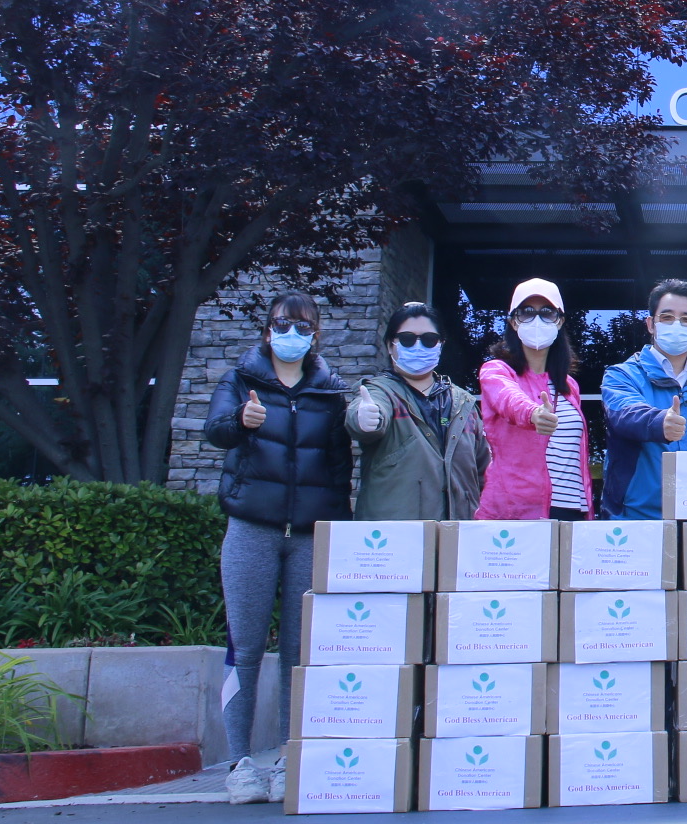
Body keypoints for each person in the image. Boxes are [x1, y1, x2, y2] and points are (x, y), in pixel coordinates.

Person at [203, 291, 351, 804]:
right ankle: (240, 763)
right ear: (268, 331)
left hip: (308, 534)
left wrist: (339, 527)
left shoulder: (330, 390)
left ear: (316, 334)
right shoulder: (240, 379)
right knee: (244, 648)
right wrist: (239, 422)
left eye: (304, 326)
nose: (293, 334)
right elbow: (215, 430)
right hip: (252, 528)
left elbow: (340, 467)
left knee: (298, 652)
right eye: (284, 324)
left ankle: (290, 757)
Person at [601, 278, 687, 519]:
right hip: (634, 519)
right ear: (651, 324)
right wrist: (659, 422)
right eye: (667, 317)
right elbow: (625, 414)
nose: (676, 324)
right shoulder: (621, 375)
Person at [346, 302, 489, 520]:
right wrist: (364, 419)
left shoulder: (464, 403)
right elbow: (367, 416)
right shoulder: (381, 392)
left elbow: (484, 472)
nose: (418, 346)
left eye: (429, 339)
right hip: (394, 535)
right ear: (390, 345)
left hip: (459, 531)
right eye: (407, 339)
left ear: (440, 344)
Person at [477, 278, 592, 521]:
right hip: (517, 512)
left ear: (560, 321)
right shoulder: (496, 371)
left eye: (547, 312)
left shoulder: (569, 386)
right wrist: (533, 413)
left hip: (572, 509)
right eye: (527, 312)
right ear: (513, 321)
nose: (537, 319)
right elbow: (508, 399)